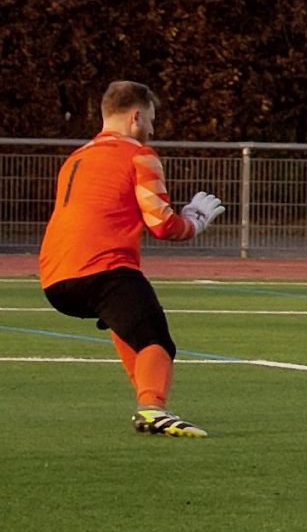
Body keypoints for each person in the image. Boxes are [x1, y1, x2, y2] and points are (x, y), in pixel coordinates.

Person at [37, 80, 225, 437]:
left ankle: (149, 404)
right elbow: (162, 225)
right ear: (136, 116)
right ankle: (153, 408)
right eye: (151, 120)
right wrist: (195, 221)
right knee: (157, 338)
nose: (152, 130)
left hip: (54, 277)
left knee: (131, 326)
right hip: (103, 267)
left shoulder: (75, 158)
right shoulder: (138, 154)